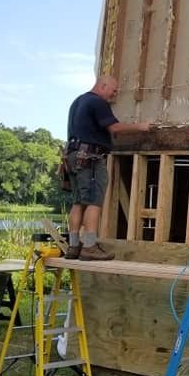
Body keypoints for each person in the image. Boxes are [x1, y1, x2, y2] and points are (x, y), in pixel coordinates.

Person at [65, 76, 150, 260]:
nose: (114, 94)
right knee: (94, 202)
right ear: (102, 86)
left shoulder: (78, 101)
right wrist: (140, 127)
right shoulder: (98, 102)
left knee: (79, 201)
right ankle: (89, 246)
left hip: (73, 156)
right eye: (113, 89)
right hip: (90, 157)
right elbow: (114, 128)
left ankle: (73, 247)